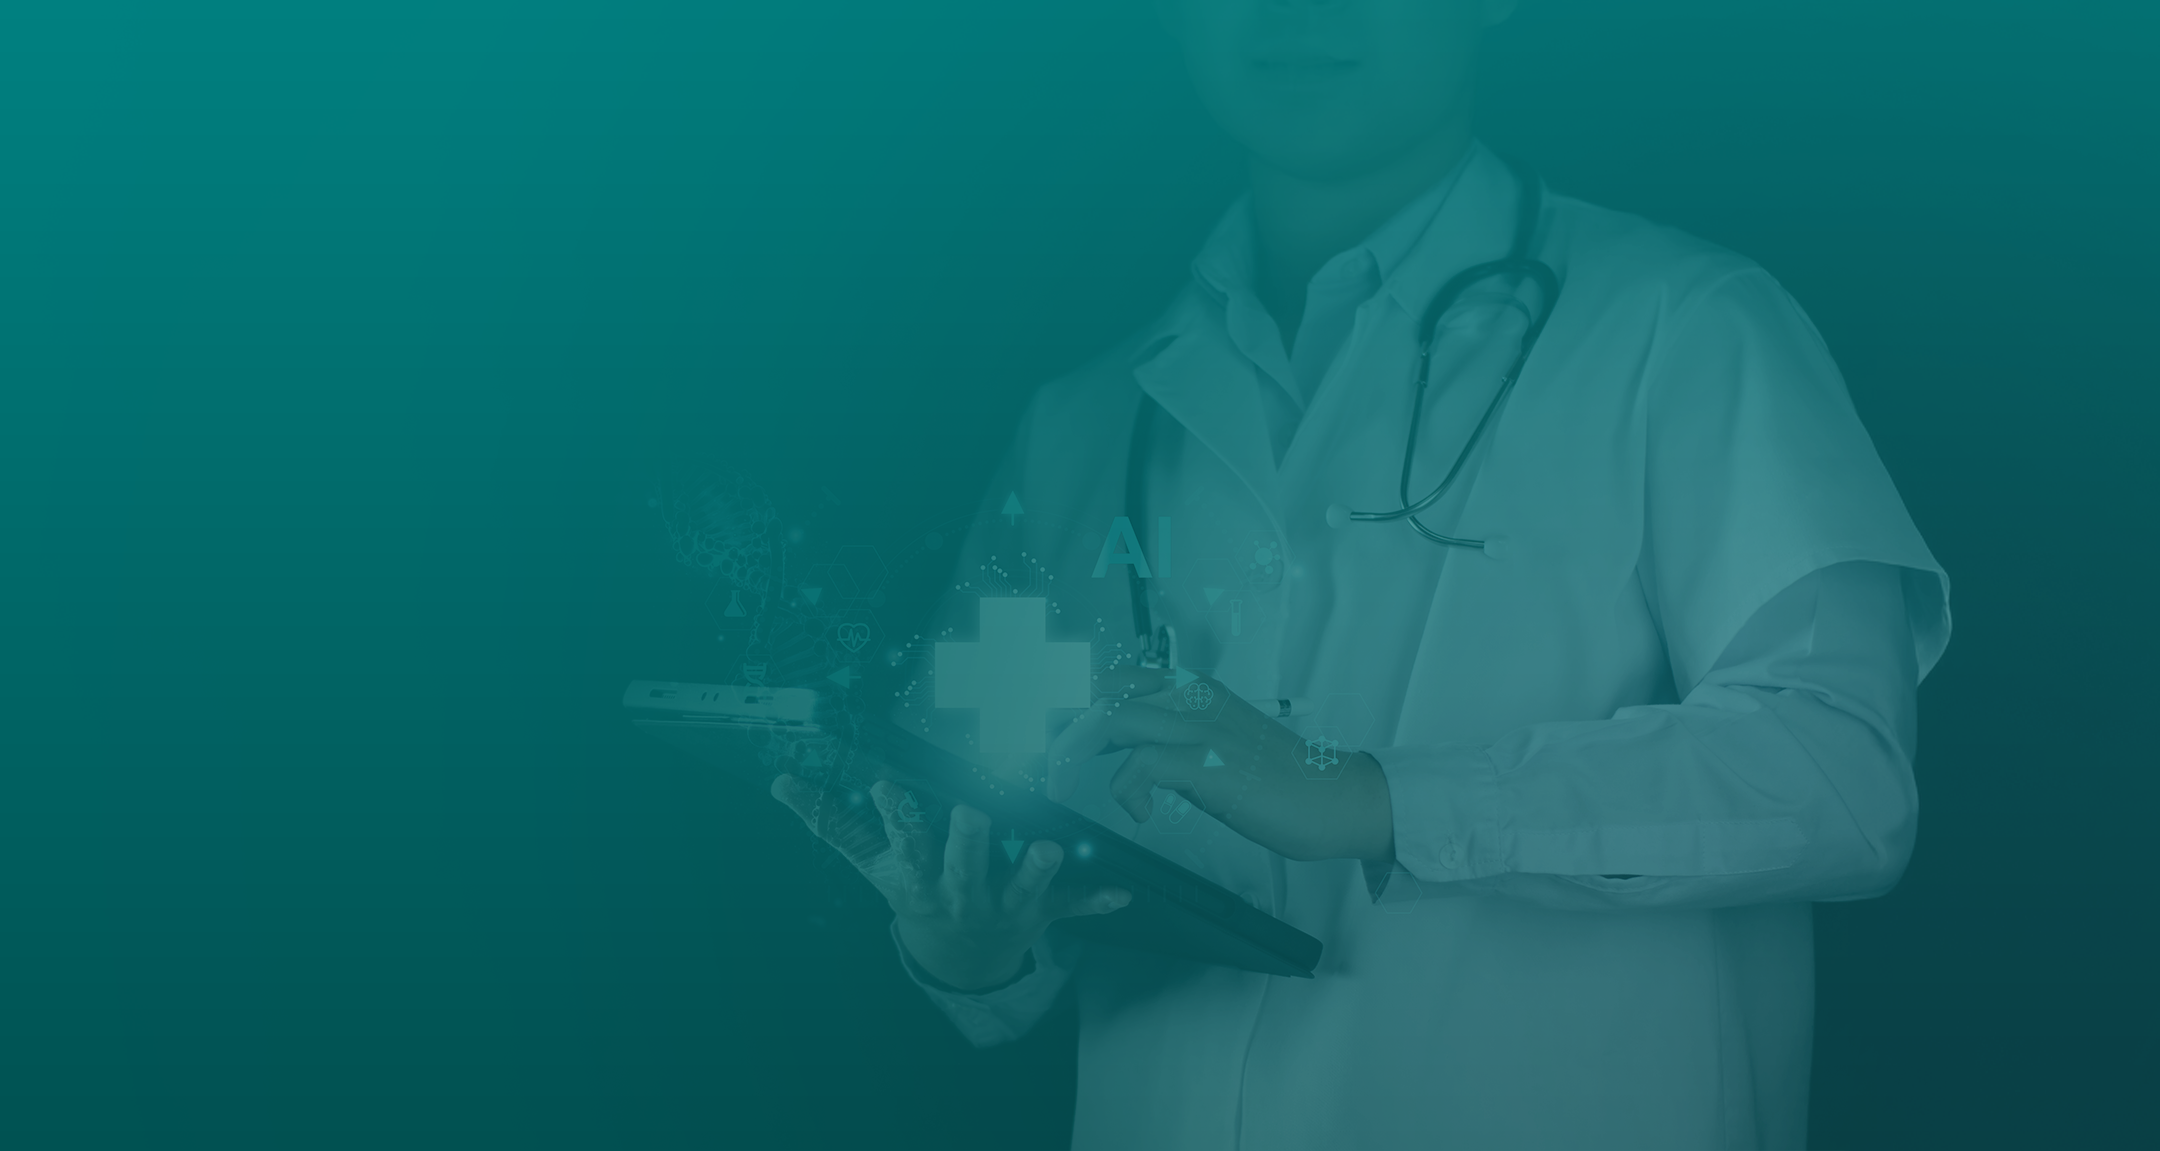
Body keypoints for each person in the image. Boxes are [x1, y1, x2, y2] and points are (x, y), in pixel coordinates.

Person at [774, 1, 1949, 1147]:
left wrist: (1378, 798)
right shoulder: (1079, 428)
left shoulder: (1687, 327)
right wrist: (971, 951)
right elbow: (988, 844)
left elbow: (1837, 775)